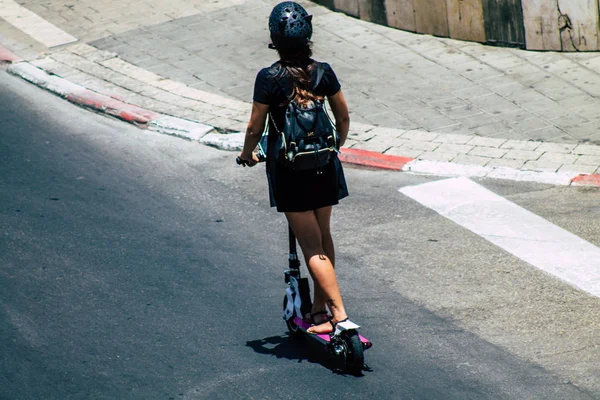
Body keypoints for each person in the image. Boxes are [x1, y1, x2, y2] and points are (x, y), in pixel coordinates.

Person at [237, 1, 351, 334]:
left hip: (290, 171)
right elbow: (343, 117)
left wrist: (247, 154)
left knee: (311, 246)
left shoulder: (269, 78)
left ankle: (339, 316)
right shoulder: (324, 72)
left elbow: (255, 128)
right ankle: (317, 311)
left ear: (274, 38)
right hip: (324, 165)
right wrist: (335, 147)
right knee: (323, 236)